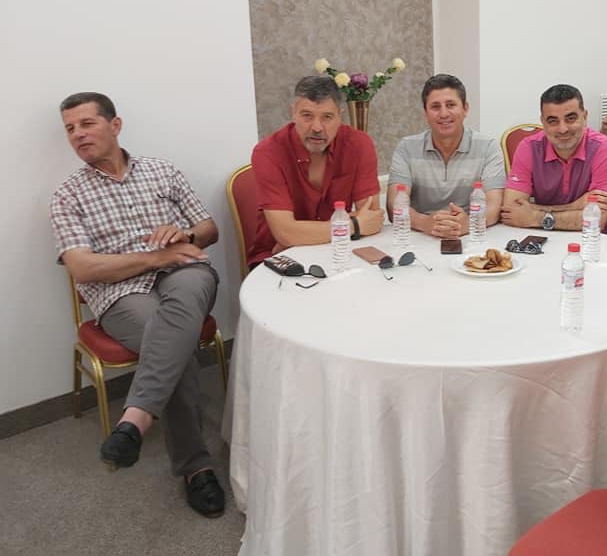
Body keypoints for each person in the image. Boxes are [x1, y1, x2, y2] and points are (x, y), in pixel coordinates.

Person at [49, 92, 225, 517]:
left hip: (184, 273)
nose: (77, 134)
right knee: (169, 341)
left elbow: (209, 228)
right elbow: (83, 267)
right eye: (70, 128)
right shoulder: (67, 196)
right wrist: (155, 258)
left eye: (86, 123)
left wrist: (185, 236)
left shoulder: (163, 171)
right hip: (121, 292)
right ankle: (196, 467)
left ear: (115, 125)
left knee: (178, 311)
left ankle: (135, 419)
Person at [250, 73, 384, 268]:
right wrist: (354, 225)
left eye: (327, 117)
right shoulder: (268, 153)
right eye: (307, 116)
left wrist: (299, 235)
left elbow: (371, 218)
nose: (317, 127)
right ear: (293, 113)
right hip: (279, 258)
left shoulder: (358, 144)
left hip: (339, 252)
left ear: (340, 116)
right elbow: (285, 233)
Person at [388, 74, 505, 237]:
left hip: (472, 235)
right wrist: (425, 223)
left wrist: (468, 224)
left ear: (465, 108)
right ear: (425, 113)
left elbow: (494, 206)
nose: (444, 114)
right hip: (420, 236)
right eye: (435, 107)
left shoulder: (488, 147)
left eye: (451, 105)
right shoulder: (406, 147)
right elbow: (394, 206)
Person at [501, 84, 607, 236]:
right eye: (553, 121)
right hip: (543, 238)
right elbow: (511, 211)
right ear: (543, 122)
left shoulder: (604, 148)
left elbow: (596, 220)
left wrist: (535, 216)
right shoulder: (528, 148)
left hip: (595, 241)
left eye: (571, 119)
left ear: (585, 117)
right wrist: (574, 206)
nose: (563, 129)